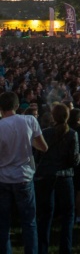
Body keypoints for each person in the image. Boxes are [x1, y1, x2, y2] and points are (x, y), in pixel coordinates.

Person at [0, 91, 48, 254]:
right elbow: (44, 147)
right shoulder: (29, 120)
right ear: (17, 105)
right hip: (24, 177)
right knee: (29, 223)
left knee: (3, 224)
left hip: (3, 178)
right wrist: (28, 143)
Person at [35, 103, 80, 254]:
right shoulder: (72, 134)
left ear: (53, 116)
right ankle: (65, 249)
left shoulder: (46, 133)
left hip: (46, 176)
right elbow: (73, 160)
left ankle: (42, 249)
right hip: (65, 176)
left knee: (45, 215)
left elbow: (38, 155)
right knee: (68, 215)